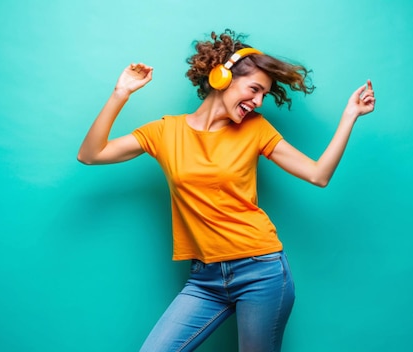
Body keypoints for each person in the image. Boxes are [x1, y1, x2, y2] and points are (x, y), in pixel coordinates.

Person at [77, 29, 375, 352]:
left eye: (264, 95)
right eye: (255, 89)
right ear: (223, 78)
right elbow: (91, 154)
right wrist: (121, 93)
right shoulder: (165, 132)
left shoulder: (255, 129)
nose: (258, 101)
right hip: (204, 280)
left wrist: (350, 116)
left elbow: (318, 175)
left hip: (261, 272)